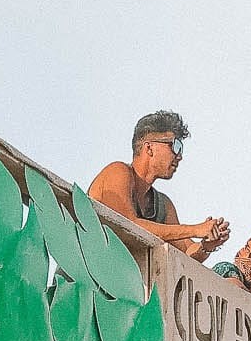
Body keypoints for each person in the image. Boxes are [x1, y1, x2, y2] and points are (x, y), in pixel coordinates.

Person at [88, 113, 230, 263]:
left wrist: (206, 245)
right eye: (175, 145)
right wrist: (196, 229)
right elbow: (128, 224)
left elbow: (187, 251)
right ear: (149, 148)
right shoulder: (117, 172)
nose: (179, 156)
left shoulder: (163, 205)